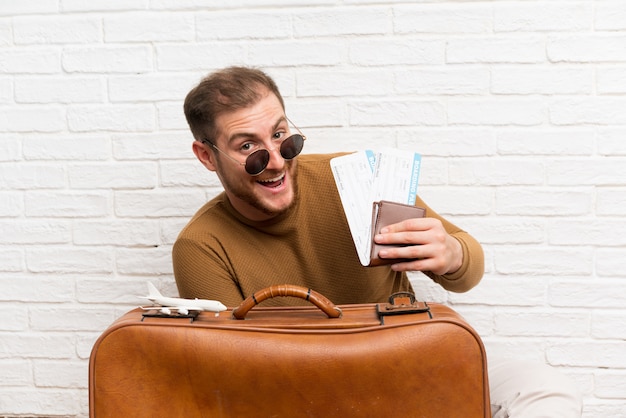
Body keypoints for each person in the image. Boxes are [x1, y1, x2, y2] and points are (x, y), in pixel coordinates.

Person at [173, 66, 582, 417]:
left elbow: (466, 272)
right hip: (304, 396)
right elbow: (234, 375)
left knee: (544, 390)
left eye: (282, 136)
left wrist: (450, 254)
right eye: (248, 147)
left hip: (412, 363)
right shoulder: (202, 246)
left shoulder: (356, 178)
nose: (277, 161)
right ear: (207, 156)